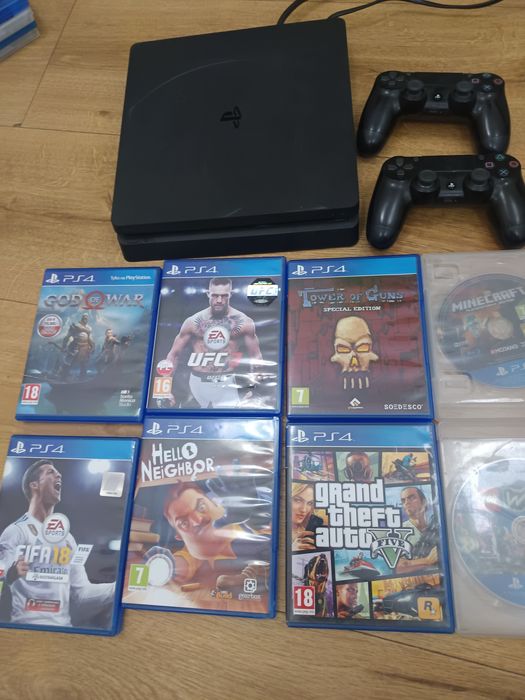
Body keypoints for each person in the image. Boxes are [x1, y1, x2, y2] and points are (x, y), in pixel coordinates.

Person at [0, 460, 115, 627]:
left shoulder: (68, 539)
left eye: (57, 472)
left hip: (64, 628)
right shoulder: (16, 531)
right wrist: (11, 574)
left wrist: (119, 587)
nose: (59, 474)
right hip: (25, 626)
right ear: (34, 485)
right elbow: (2, 574)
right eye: (50, 472)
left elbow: (82, 595)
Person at [146, 481, 270, 593]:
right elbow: (184, 564)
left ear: (214, 503)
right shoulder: (195, 552)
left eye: (201, 507)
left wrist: (253, 516)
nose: (198, 520)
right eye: (184, 523)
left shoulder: (245, 525)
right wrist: (165, 565)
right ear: (179, 537)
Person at [164, 278, 263, 408]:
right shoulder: (192, 322)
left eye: (224, 296)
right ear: (208, 294)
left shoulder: (244, 322)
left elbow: (256, 357)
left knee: (228, 420)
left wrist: (254, 388)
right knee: (191, 418)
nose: (219, 300)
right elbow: (173, 355)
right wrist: (165, 389)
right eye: (215, 295)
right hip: (196, 383)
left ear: (231, 294)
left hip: (227, 382)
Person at [396, 486, 439, 574]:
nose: (407, 502)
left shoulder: (434, 526)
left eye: (411, 498)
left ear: (424, 502)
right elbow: (397, 567)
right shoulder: (400, 531)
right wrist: (427, 561)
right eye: (403, 501)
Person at [60, 313, 95, 379]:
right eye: (84, 318)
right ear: (81, 318)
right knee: (69, 361)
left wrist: (93, 346)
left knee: (84, 363)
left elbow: (90, 338)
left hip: (85, 347)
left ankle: (82, 377)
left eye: (86, 318)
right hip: (75, 346)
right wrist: (64, 346)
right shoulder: (75, 326)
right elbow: (67, 337)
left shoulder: (89, 328)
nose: (85, 319)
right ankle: (64, 376)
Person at [291, 483, 322, 551]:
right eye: (298, 500)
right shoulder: (273, 531)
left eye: (309, 503)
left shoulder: (312, 531)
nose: (304, 510)